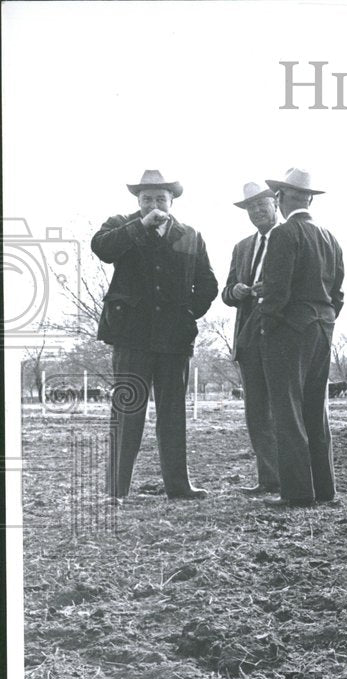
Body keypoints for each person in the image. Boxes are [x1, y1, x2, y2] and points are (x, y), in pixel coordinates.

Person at [92, 170, 218, 500]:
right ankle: (116, 490)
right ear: (137, 201)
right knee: (127, 411)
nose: (154, 204)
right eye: (147, 199)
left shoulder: (190, 234)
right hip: (131, 337)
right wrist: (140, 226)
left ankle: (178, 486)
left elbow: (208, 285)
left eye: (160, 198)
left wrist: (187, 312)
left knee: (173, 413)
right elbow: (101, 248)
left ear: (172, 201)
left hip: (175, 340)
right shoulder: (121, 225)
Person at [258, 168, 345, 508]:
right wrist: (325, 316)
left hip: (290, 329)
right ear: (308, 198)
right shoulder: (330, 237)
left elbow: (277, 291)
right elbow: (338, 292)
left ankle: (296, 492)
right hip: (323, 326)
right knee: (315, 408)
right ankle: (325, 489)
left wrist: (268, 322)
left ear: (281, 198)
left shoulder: (283, 234)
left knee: (288, 409)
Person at [221, 182, 281, 495]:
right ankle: (268, 479)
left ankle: (294, 477)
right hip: (249, 338)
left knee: (285, 409)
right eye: (251, 207)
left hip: (282, 337)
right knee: (257, 411)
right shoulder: (243, 247)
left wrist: (272, 290)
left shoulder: (291, 237)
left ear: (276, 204)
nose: (257, 211)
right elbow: (226, 291)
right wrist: (237, 291)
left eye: (262, 204)